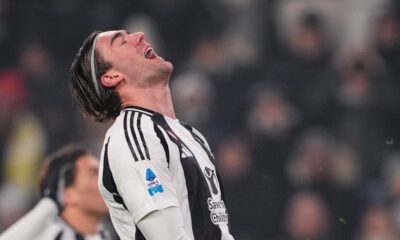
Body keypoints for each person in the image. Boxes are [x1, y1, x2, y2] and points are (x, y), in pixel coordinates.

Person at [70, 30, 234, 240]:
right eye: (121, 42)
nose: (139, 35)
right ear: (112, 77)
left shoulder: (191, 135)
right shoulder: (131, 136)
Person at [0, 145, 111, 240]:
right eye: (94, 173)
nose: (105, 178)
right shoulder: (51, 236)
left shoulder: (111, 233)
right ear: (68, 195)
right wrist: (49, 205)